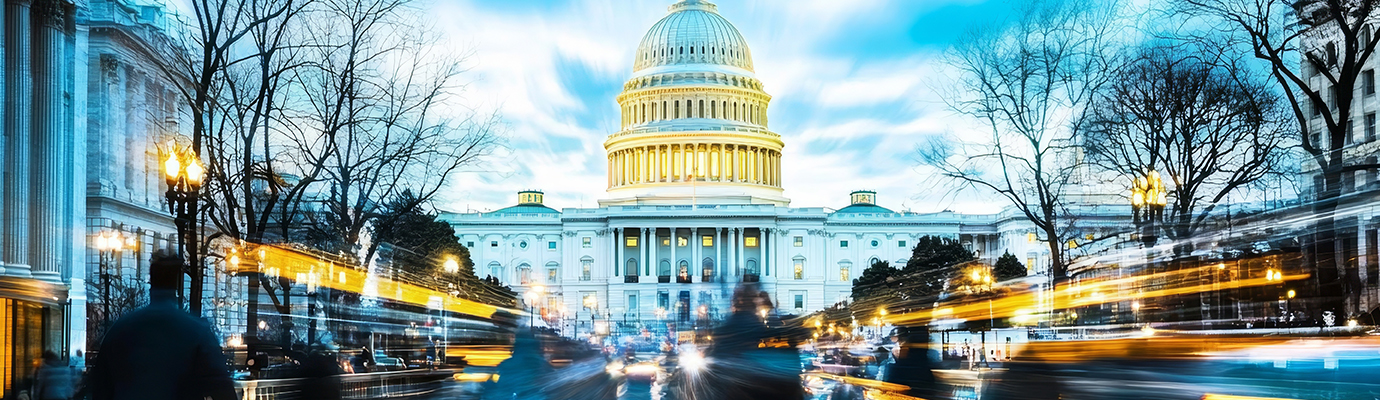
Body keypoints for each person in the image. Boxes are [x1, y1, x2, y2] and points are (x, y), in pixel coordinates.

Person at [88, 253, 237, 400]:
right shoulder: (196, 330)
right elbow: (221, 387)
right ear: (177, 284)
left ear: (151, 281)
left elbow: (101, 385)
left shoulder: (120, 329)